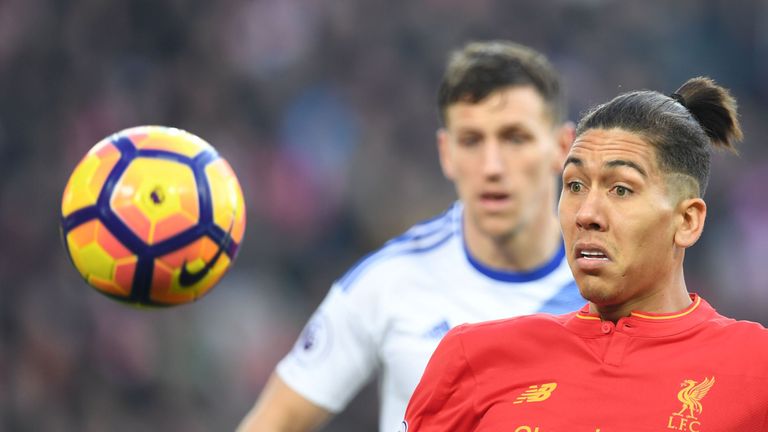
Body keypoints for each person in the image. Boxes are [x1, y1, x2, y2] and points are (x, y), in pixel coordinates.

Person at [237, 40, 584, 432]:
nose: (491, 166)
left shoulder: (613, 283)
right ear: (446, 153)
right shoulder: (389, 281)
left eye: (514, 138)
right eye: (471, 141)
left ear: (561, 147)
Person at [402, 76, 768, 430]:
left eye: (621, 189)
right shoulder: (472, 356)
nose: (587, 214)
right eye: (574, 185)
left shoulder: (756, 368)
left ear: (687, 220)